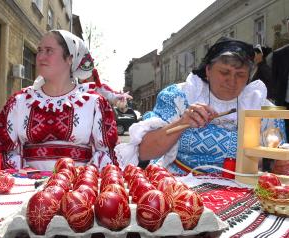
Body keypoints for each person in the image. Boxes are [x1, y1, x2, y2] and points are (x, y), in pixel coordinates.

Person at [115, 37, 286, 175]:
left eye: (240, 75)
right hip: (180, 187)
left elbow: (279, 161)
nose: (232, 81)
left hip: (242, 190)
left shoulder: (260, 106)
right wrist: (182, 123)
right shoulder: (179, 97)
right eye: (224, 72)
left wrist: (279, 165)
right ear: (208, 70)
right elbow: (144, 151)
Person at [0, 30, 118, 171]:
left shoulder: (94, 103)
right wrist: (27, 174)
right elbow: (1, 151)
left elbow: (107, 153)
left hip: (78, 188)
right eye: (39, 50)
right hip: (26, 188)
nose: (40, 57)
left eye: (49, 51)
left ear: (69, 58)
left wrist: (83, 177)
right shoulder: (19, 102)